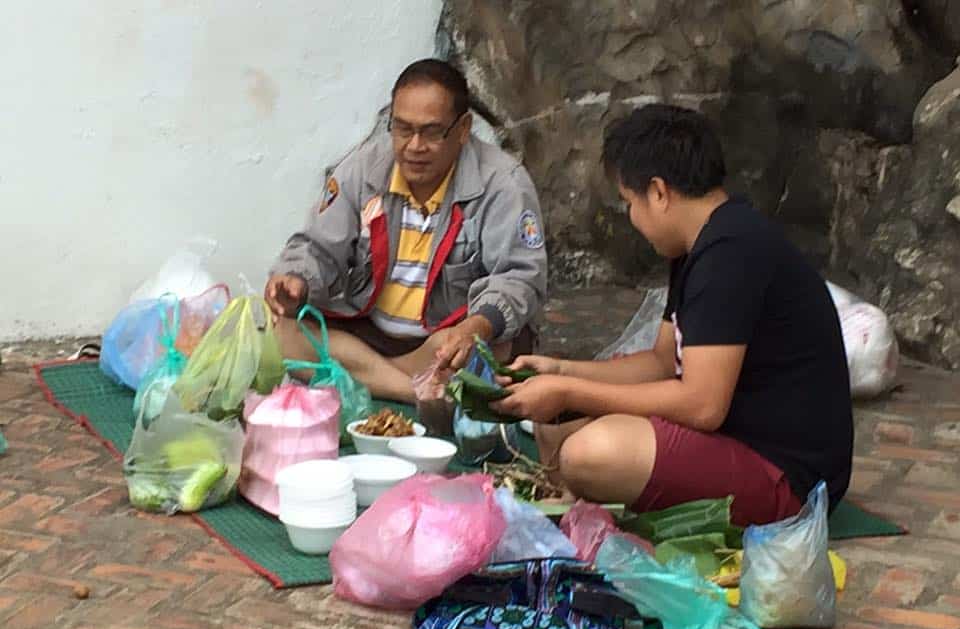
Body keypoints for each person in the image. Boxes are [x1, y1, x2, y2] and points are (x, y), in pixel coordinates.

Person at [493, 104, 853, 527]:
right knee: (554, 423)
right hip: (729, 439)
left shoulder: (731, 253)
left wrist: (571, 392)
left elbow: (703, 406)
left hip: (788, 478)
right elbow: (663, 362)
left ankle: (585, 496)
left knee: (589, 453)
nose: (631, 217)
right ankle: (572, 503)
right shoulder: (698, 246)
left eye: (629, 202)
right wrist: (558, 370)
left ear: (659, 192)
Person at [266, 59, 547, 403]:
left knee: (488, 348)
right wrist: (296, 279)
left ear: (463, 129)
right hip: (370, 332)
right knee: (283, 330)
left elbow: (520, 279)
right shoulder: (365, 168)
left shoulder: (503, 184)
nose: (414, 146)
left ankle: (372, 377)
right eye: (402, 129)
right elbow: (318, 246)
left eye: (431, 132)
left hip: (441, 339)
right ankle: (416, 391)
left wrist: (474, 327)